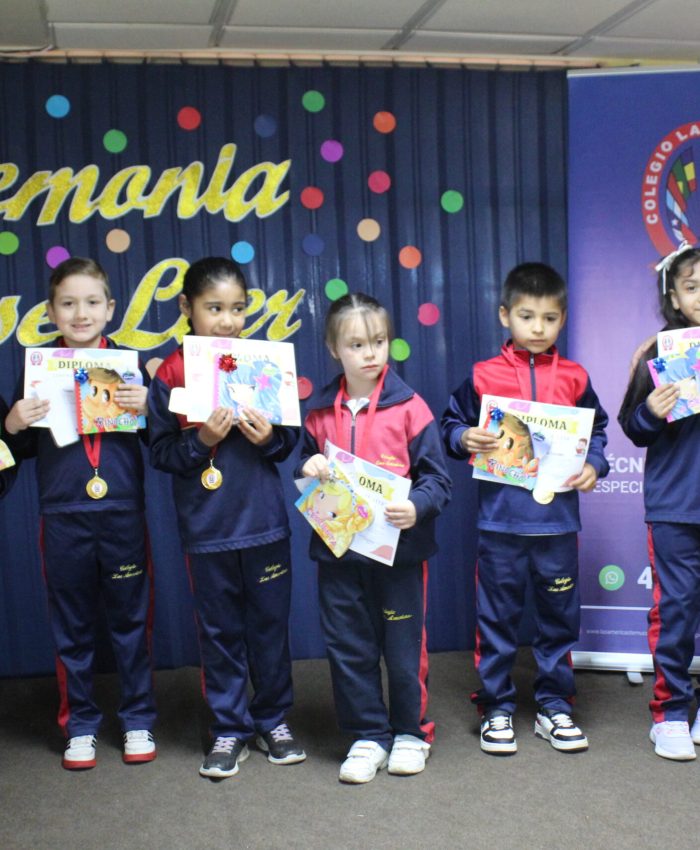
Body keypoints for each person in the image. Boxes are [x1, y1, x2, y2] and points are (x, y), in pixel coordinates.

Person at [441, 262, 609, 756]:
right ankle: (496, 706)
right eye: (527, 316)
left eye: (550, 318)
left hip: (557, 524)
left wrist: (595, 464)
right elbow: (450, 424)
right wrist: (463, 436)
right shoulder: (483, 375)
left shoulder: (576, 377)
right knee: (497, 616)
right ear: (505, 316)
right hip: (500, 525)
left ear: (563, 320)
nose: (538, 328)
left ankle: (555, 704)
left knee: (559, 617)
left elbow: (597, 431)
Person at [148, 257, 305, 780]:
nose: (228, 320)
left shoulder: (263, 362)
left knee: (268, 630)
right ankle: (228, 728)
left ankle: (273, 720)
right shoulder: (170, 372)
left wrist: (271, 438)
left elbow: (291, 444)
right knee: (219, 633)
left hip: (264, 524)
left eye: (237, 309)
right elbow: (162, 453)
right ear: (186, 308)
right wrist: (203, 441)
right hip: (207, 531)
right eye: (214, 308)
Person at [4, 257, 156, 769]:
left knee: (132, 621)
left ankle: (137, 719)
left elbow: (164, 444)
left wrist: (148, 405)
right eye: (68, 303)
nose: (80, 313)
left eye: (92, 302)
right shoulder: (37, 370)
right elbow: (17, 451)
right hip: (63, 515)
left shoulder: (132, 367)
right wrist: (13, 422)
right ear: (51, 312)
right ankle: (82, 726)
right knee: (72, 627)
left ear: (110, 309)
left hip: (121, 514)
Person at [297, 292, 451, 784]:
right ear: (333, 348)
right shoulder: (317, 411)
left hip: (399, 557)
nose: (370, 353)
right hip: (338, 554)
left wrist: (417, 506)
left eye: (379, 341)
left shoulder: (412, 407)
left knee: (404, 648)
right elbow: (302, 465)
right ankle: (367, 735)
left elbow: (438, 481)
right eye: (357, 344)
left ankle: (410, 732)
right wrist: (310, 463)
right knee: (349, 647)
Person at [618, 242, 700, 761]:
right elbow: (632, 428)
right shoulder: (658, 353)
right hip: (675, 507)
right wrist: (650, 409)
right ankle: (670, 713)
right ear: (673, 294)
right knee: (676, 610)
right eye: (693, 287)